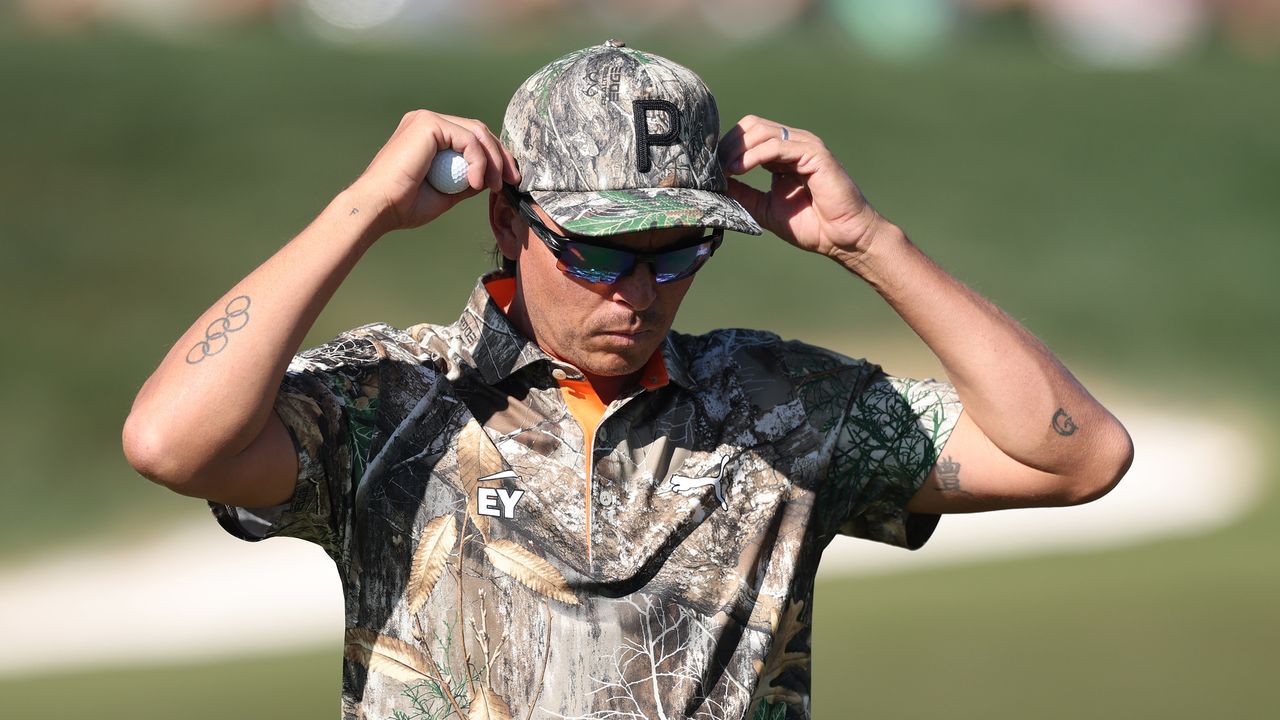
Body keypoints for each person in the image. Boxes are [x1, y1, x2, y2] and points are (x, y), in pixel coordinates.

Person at [122, 40, 1133, 720]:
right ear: (510, 224)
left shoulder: (776, 408)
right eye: (599, 253)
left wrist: (870, 244)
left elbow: (1075, 455)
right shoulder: (389, 400)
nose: (637, 293)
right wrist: (361, 209)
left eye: (679, 249)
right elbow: (171, 443)